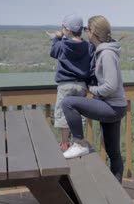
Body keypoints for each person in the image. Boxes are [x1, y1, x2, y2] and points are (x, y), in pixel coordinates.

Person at [61, 15, 127, 183]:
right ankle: (117, 191)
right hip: (113, 105)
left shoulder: (106, 54)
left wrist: (93, 89)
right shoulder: (103, 51)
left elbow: (111, 85)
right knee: (114, 153)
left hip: (112, 107)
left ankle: (79, 143)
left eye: (87, 30)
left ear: (94, 32)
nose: (85, 33)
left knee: (68, 103)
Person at [47, 14, 96, 151]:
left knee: (63, 112)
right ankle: (78, 142)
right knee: (78, 112)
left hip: (65, 85)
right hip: (81, 85)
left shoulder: (62, 44)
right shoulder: (88, 46)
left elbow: (53, 52)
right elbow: (92, 65)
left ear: (67, 29)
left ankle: (64, 143)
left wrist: (57, 37)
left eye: (63, 27)